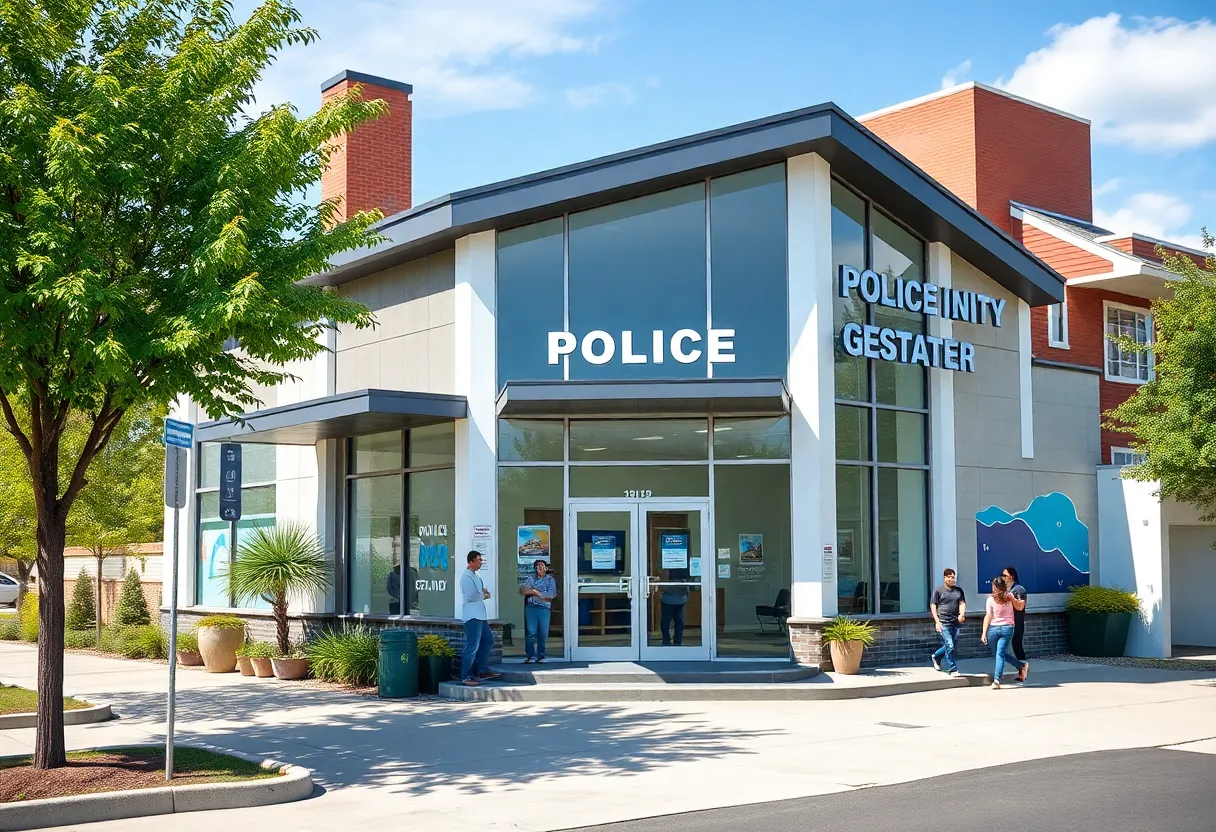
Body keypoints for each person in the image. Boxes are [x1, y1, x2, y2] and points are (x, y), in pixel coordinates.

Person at [460, 550, 501, 687]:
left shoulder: (475, 576)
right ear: (470, 562)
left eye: (481, 559)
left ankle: (482, 670)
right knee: (472, 646)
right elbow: (471, 596)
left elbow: (479, 592)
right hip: (472, 616)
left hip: (480, 616)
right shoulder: (466, 577)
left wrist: (482, 593)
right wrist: (484, 595)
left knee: (488, 640)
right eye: (478, 560)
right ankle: (466, 676)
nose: (481, 562)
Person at [981, 577, 1028, 689]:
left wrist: (1016, 600)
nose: (994, 589)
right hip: (993, 628)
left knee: (1000, 653)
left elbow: (1018, 607)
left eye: (996, 587)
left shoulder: (1009, 596)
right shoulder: (990, 600)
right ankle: (1021, 666)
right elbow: (988, 616)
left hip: (1007, 628)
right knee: (998, 653)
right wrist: (984, 633)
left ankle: (997, 680)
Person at [929, 568, 966, 677]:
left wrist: (962, 614)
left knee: (951, 645)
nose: (951, 579)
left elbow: (962, 603)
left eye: (953, 577)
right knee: (950, 645)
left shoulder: (958, 591)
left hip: (955, 622)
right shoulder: (938, 590)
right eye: (949, 577)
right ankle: (952, 668)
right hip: (943, 622)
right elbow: (933, 605)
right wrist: (937, 621)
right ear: (945, 578)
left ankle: (936, 656)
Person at [520, 559, 557, 663]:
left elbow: (551, 595)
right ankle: (530, 656)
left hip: (544, 608)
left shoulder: (550, 579)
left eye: (542, 566)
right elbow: (523, 590)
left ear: (546, 568)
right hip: (531, 607)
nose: (539, 568)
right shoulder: (531, 578)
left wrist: (533, 592)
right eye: (537, 566)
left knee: (543, 633)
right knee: (531, 632)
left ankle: (541, 656)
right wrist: (537, 592)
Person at [1002, 566, 1029, 662]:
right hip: (1007, 621)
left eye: (1005, 575)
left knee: (1016, 644)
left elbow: (1020, 605)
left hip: (1016, 620)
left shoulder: (1018, 589)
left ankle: (1023, 665)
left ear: (1011, 576)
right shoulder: (1006, 589)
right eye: (1002, 576)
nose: (1003, 578)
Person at [660, 580, 690, 646]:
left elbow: (662, 586)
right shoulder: (683, 574)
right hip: (680, 599)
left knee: (666, 621)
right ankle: (677, 641)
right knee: (679, 622)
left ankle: (666, 640)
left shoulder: (667, 571)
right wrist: (687, 595)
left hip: (667, 599)